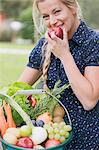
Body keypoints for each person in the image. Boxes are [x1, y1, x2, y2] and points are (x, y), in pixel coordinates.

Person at [18, 0, 99, 149]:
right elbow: (17, 91)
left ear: (73, 7)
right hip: (53, 143)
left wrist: (65, 55)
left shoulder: (94, 42)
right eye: (45, 16)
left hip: (89, 143)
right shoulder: (45, 45)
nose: (52, 21)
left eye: (57, 12)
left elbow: (89, 101)